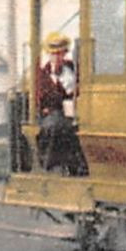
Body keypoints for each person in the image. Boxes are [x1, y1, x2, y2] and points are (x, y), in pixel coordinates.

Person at [35, 32, 89, 176]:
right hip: (54, 113)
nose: (58, 57)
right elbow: (42, 99)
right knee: (56, 125)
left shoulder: (72, 69)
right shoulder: (42, 75)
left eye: (61, 53)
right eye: (54, 54)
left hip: (78, 109)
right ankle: (53, 165)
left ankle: (82, 166)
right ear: (49, 54)